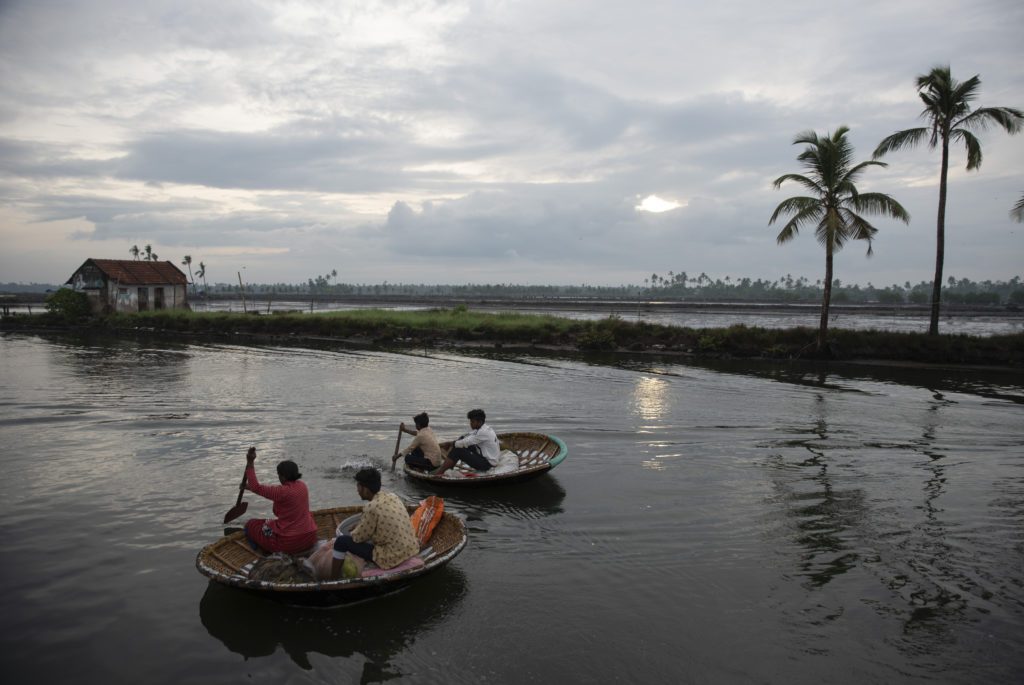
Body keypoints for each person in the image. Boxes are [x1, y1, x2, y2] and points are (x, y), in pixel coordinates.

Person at [332, 467, 419, 578]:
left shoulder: (371, 507)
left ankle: (333, 578)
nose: (357, 490)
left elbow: (358, 538)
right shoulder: (393, 497)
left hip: (390, 557)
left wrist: (356, 530)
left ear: (366, 490)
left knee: (341, 542)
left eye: (358, 486)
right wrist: (361, 525)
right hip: (411, 548)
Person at [243, 447, 318, 554]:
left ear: (283, 476)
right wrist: (249, 487)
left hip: (289, 543)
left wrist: (250, 462)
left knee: (251, 524)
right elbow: (258, 488)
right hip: (310, 537)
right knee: (269, 522)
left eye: (279, 475)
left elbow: (256, 487)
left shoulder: (281, 492)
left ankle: (260, 550)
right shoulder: (302, 486)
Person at [435, 408, 499, 476]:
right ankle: (447, 469)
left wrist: (452, 444)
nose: (470, 424)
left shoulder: (483, 432)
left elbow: (465, 442)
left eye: (472, 422)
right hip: (486, 459)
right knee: (461, 443)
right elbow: (468, 436)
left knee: (457, 450)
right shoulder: (485, 428)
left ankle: (439, 474)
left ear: (479, 422)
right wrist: (459, 440)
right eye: (470, 421)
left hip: (487, 464)